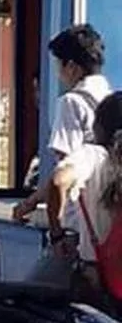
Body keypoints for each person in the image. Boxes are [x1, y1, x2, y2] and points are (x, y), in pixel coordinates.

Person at [14, 25, 110, 236]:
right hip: (110, 218)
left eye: (58, 65)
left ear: (72, 67)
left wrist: (31, 204)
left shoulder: (71, 103)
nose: (58, 73)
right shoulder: (112, 101)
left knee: (45, 271)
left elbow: (63, 175)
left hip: (81, 223)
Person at [32, 90, 122, 311]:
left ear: (99, 127)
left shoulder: (92, 156)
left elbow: (58, 181)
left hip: (100, 283)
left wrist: (56, 234)